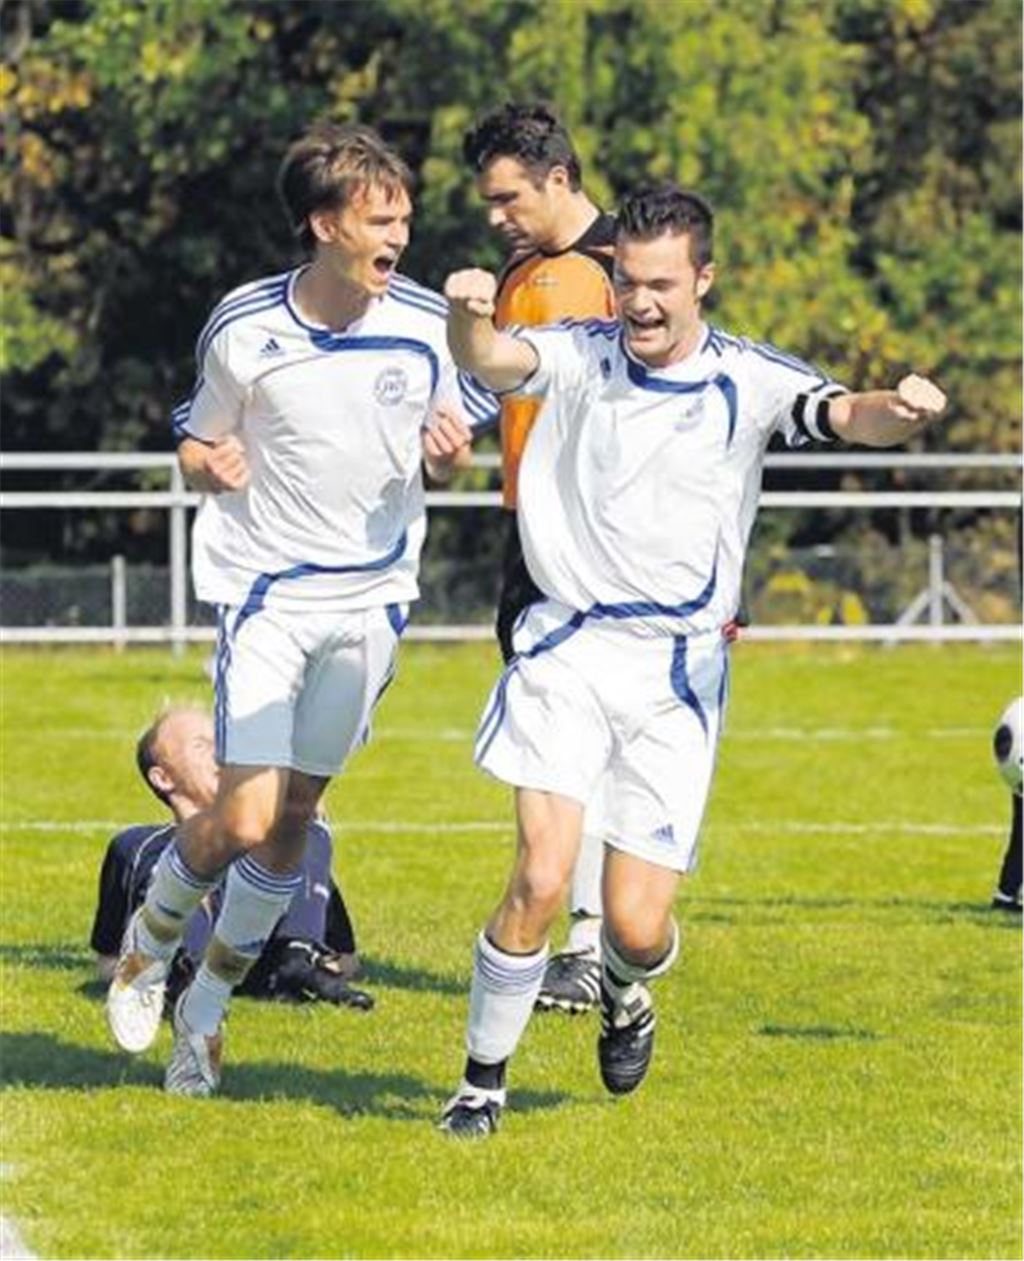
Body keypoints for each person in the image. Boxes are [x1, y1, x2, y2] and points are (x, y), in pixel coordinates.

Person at [438, 183, 948, 1136]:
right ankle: (480, 1084)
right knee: (543, 875)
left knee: (634, 925)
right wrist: (470, 318)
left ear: (703, 281)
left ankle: (628, 991)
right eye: (627, 282)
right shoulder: (581, 353)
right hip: (568, 645)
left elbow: (845, 415)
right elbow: (498, 359)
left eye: (661, 285)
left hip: (676, 674)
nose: (639, 303)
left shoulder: (744, 379)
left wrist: (902, 413)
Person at [105, 122, 494, 1098]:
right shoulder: (244, 326)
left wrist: (451, 460)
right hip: (268, 594)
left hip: (372, 604)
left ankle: (205, 1011)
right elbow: (198, 443)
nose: (399, 233)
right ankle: (150, 945)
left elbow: (455, 449)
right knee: (242, 814)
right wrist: (209, 466)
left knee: (296, 819)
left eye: (404, 215)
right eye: (380, 217)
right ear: (325, 223)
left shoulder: (423, 327)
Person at [462, 102, 616, 1014]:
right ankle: (587, 938)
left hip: (598, 542)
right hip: (529, 530)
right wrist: (453, 415)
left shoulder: (621, 273)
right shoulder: (527, 268)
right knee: (555, 736)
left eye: (508, 195)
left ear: (558, 179)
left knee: (586, 737)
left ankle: (593, 940)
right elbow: (511, 375)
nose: (495, 214)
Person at [91, 705, 371, 1008]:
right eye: (201, 745)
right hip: (180, 955)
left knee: (302, 828)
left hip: (268, 962)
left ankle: (296, 957)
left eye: (222, 740)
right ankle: (184, 971)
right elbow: (107, 962)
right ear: (163, 777)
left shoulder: (283, 851)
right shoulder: (136, 846)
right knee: (182, 861)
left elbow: (346, 960)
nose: (220, 752)